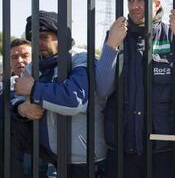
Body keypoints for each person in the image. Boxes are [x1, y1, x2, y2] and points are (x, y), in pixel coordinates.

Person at [95, 0, 175, 178]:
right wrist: (111, 46)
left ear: (157, 4)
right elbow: (102, 88)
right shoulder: (117, 35)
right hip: (122, 150)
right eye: (131, 0)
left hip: (163, 151)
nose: (134, 6)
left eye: (141, 0)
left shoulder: (173, 35)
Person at [9, 11, 106, 177]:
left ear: (60, 36)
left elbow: (75, 100)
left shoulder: (81, 59)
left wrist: (34, 89)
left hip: (86, 160)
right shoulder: (35, 66)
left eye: (44, 37)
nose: (38, 43)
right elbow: (15, 94)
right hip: (52, 158)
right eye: (34, 38)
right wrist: (21, 107)